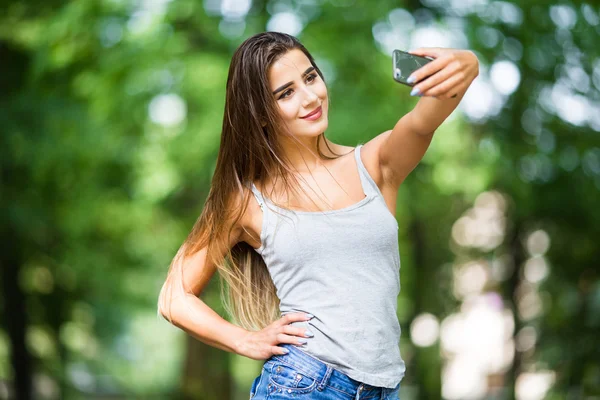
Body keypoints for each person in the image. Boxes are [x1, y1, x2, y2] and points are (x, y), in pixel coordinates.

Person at [157, 31, 479, 399]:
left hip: (385, 387)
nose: (310, 97)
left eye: (310, 77)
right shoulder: (248, 200)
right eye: (286, 93)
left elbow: (425, 120)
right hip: (304, 384)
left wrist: (467, 64)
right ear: (260, 114)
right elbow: (173, 296)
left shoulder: (375, 164)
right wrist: (245, 341)